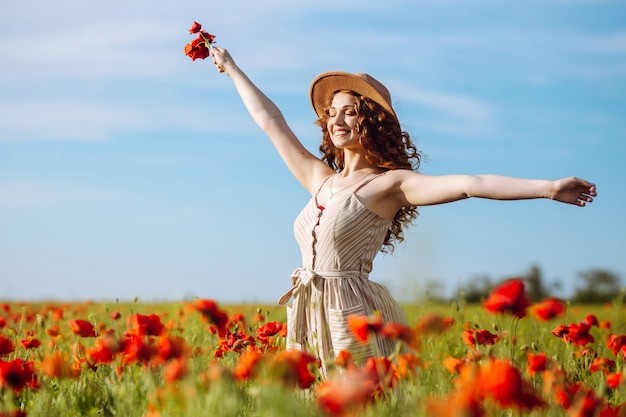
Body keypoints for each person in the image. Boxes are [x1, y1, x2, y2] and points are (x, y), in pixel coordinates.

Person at [208, 47, 597, 377]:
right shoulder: (319, 179)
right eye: (332, 112)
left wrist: (547, 188)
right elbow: (270, 122)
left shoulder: (391, 185)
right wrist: (233, 69)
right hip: (306, 310)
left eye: (349, 112)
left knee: (358, 403)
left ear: (371, 121)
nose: (336, 120)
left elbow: (469, 183)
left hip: (351, 312)